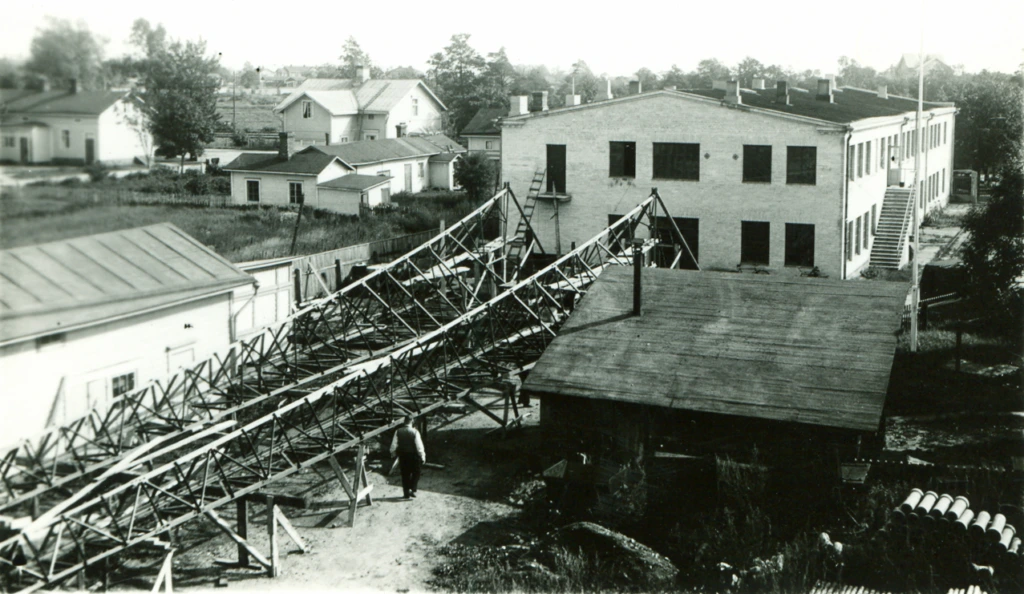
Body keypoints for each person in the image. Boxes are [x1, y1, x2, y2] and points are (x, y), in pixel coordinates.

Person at [390, 415, 425, 499]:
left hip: (403, 455)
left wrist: (393, 453)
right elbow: (419, 446)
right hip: (413, 456)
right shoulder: (415, 432)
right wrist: (422, 456)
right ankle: (412, 489)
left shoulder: (398, 431)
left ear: (404, 421)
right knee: (416, 472)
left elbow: (394, 445)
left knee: (405, 474)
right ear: (412, 421)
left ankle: (406, 493)